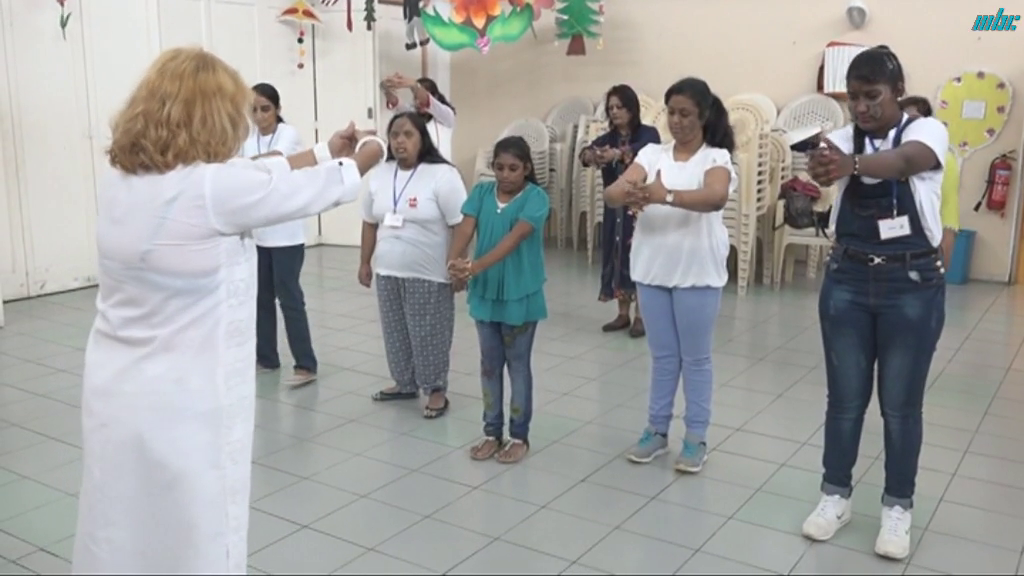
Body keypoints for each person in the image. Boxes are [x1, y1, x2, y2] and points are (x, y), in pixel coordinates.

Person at [72, 47, 384, 574]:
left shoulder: (123, 179)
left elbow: (254, 172)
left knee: (119, 521)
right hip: (184, 402)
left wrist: (319, 149)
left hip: (117, 388)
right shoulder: (212, 189)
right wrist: (371, 151)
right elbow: (303, 189)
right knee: (192, 533)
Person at [800, 46, 948, 561]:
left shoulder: (926, 131)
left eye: (872, 96)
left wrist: (851, 164)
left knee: (900, 406)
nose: (861, 108)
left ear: (898, 92)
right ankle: (834, 497)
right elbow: (827, 167)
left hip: (911, 283)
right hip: (847, 279)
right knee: (844, 401)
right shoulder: (845, 139)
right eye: (853, 98)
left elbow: (906, 162)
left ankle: (897, 507)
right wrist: (821, 166)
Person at [603, 77, 736, 473]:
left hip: (697, 272)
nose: (676, 121)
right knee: (663, 357)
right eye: (672, 113)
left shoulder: (715, 157)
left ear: (704, 115)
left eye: (685, 114)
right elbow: (613, 193)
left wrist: (666, 196)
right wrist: (630, 192)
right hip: (652, 269)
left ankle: (695, 437)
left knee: (695, 358)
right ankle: (656, 431)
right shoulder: (652, 153)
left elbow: (715, 197)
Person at [449, 136, 549, 464]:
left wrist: (473, 267)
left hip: (520, 292)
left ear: (527, 168)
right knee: (489, 365)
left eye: (513, 168)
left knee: (517, 365)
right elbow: (465, 230)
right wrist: (454, 265)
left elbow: (514, 239)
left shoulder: (536, 198)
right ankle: (492, 432)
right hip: (486, 291)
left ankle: (519, 436)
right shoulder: (481, 193)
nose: (505, 175)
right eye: (500, 167)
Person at [361, 111, 467, 418]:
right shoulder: (379, 174)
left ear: (422, 139)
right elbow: (369, 222)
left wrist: (457, 264)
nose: (400, 141)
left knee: (428, 334)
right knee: (395, 331)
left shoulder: (442, 175)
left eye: (408, 135)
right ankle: (404, 382)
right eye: (395, 135)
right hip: (388, 270)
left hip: (429, 273)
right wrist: (364, 262)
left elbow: (461, 224)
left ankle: (436, 390)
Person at [244, 82, 318, 387]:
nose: (260, 116)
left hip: (286, 233)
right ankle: (267, 358)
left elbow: (278, 160)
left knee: (289, 298)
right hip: (259, 232)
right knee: (261, 297)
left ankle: (306, 364)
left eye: (266, 109)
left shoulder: (289, 134)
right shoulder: (247, 138)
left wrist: (246, 167)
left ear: (277, 109)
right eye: (254, 110)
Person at [580, 84, 661, 337]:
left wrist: (618, 154)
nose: (614, 112)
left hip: (639, 209)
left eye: (620, 107)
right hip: (615, 211)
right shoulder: (608, 138)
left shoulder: (648, 134)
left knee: (639, 257)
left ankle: (641, 316)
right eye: (611, 108)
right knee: (617, 256)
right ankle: (623, 314)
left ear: (631, 109)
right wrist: (592, 156)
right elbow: (584, 154)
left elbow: (645, 150)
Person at [900, 95, 959, 268]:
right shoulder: (893, 152)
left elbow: (948, 215)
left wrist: (941, 268)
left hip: (927, 240)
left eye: (912, 119)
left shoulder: (943, 157)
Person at [382, 73, 456, 161]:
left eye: (419, 97)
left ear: (435, 97)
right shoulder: (413, 115)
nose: (418, 102)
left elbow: (425, 100)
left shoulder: (447, 116)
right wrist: (386, 88)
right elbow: (396, 104)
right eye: (415, 98)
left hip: (439, 165)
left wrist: (414, 85)